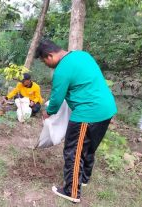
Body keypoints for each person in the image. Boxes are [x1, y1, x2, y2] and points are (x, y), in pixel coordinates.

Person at [34, 40, 117, 203]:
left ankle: (71, 191)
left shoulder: (62, 69)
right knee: (89, 146)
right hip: (106, 109)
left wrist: (48, 112)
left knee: (73, 150)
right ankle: (84, 178)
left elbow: (56, 99)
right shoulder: (82, 55)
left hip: (88, 113)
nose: (46, 65)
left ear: (49, 56)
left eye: (45, 62)